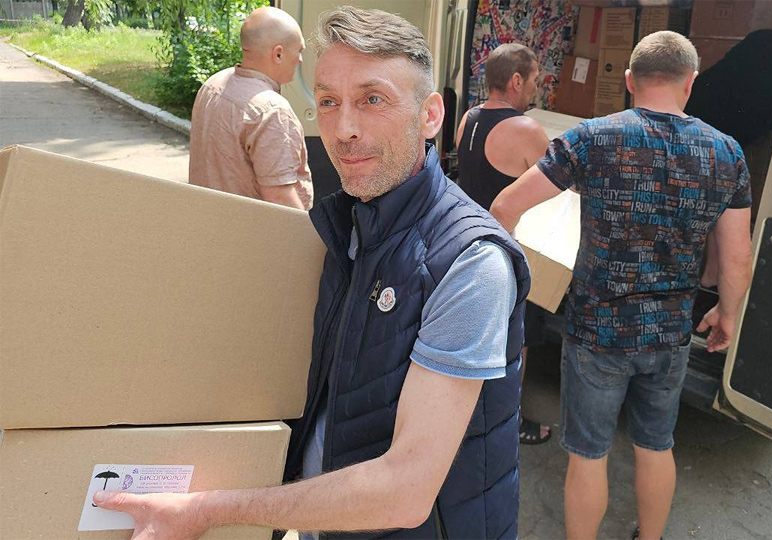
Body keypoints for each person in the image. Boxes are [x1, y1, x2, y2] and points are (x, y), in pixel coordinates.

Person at [95, 7, 529, 540]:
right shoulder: (344, 225)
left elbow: (405, 491)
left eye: (372, 99)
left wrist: (207, 510)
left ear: (431, 115)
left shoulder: (471, 263)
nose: (343, 129)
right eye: (327, 102)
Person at [490, 31, 754, 540]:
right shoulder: (727, 153)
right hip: (671, 332)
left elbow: (504, 207)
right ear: (690, 83)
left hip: (597, 331)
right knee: (656, 445)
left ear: (630, 80)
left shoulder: (592, 139)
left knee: (588, 455)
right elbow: (737, 257)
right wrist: (728, 313)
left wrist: (509, 285)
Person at [455, 42, 552, 445]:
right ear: (515, 81)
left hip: (465, 242)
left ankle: (463, 418)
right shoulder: (527, 130)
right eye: (533, 80)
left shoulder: (469, 118)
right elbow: (560, 190)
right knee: (516, 341)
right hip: (507, 250)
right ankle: (509, 424)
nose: (535, 89)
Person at [188, 6, 313, 210]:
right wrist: (305, 230)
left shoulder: (213, 84)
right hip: (249, 229)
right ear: (278, 54)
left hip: (207, 219)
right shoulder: (272, 111)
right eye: (299, 51)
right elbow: (280, 198)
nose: (300, 59)